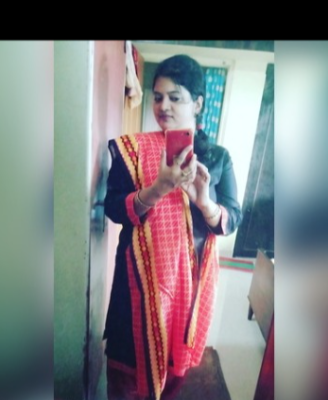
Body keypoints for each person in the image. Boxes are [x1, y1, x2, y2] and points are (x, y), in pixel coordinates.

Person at [103, 54, 242, 400]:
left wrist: (205, 202)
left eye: (175, 97)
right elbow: (113, 208)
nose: (163, 106)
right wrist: (157, 189)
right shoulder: (132, 151)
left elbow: (232, 219)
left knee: (172, 379)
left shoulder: (218, 158)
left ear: (198, 104)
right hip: (135, 288)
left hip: (187, 293)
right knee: (124, 381)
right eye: (158, 97)